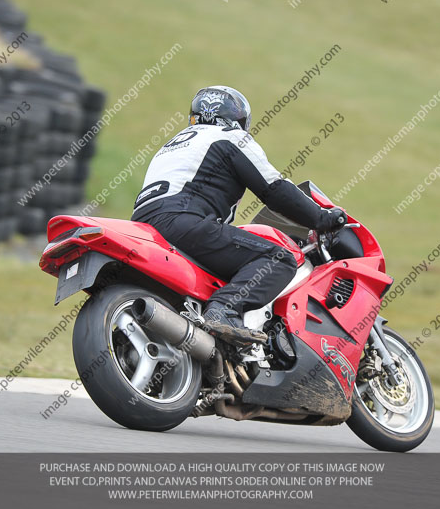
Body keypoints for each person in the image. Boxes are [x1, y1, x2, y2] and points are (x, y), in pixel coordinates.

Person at [131, 86, 345, 343]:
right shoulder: (231, 138)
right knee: (279, 259)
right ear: (239, 119)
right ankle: (223, 310)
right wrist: (322, 218)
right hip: (183, 220)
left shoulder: (173, 144)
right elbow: (274, 189)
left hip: (144, 226)